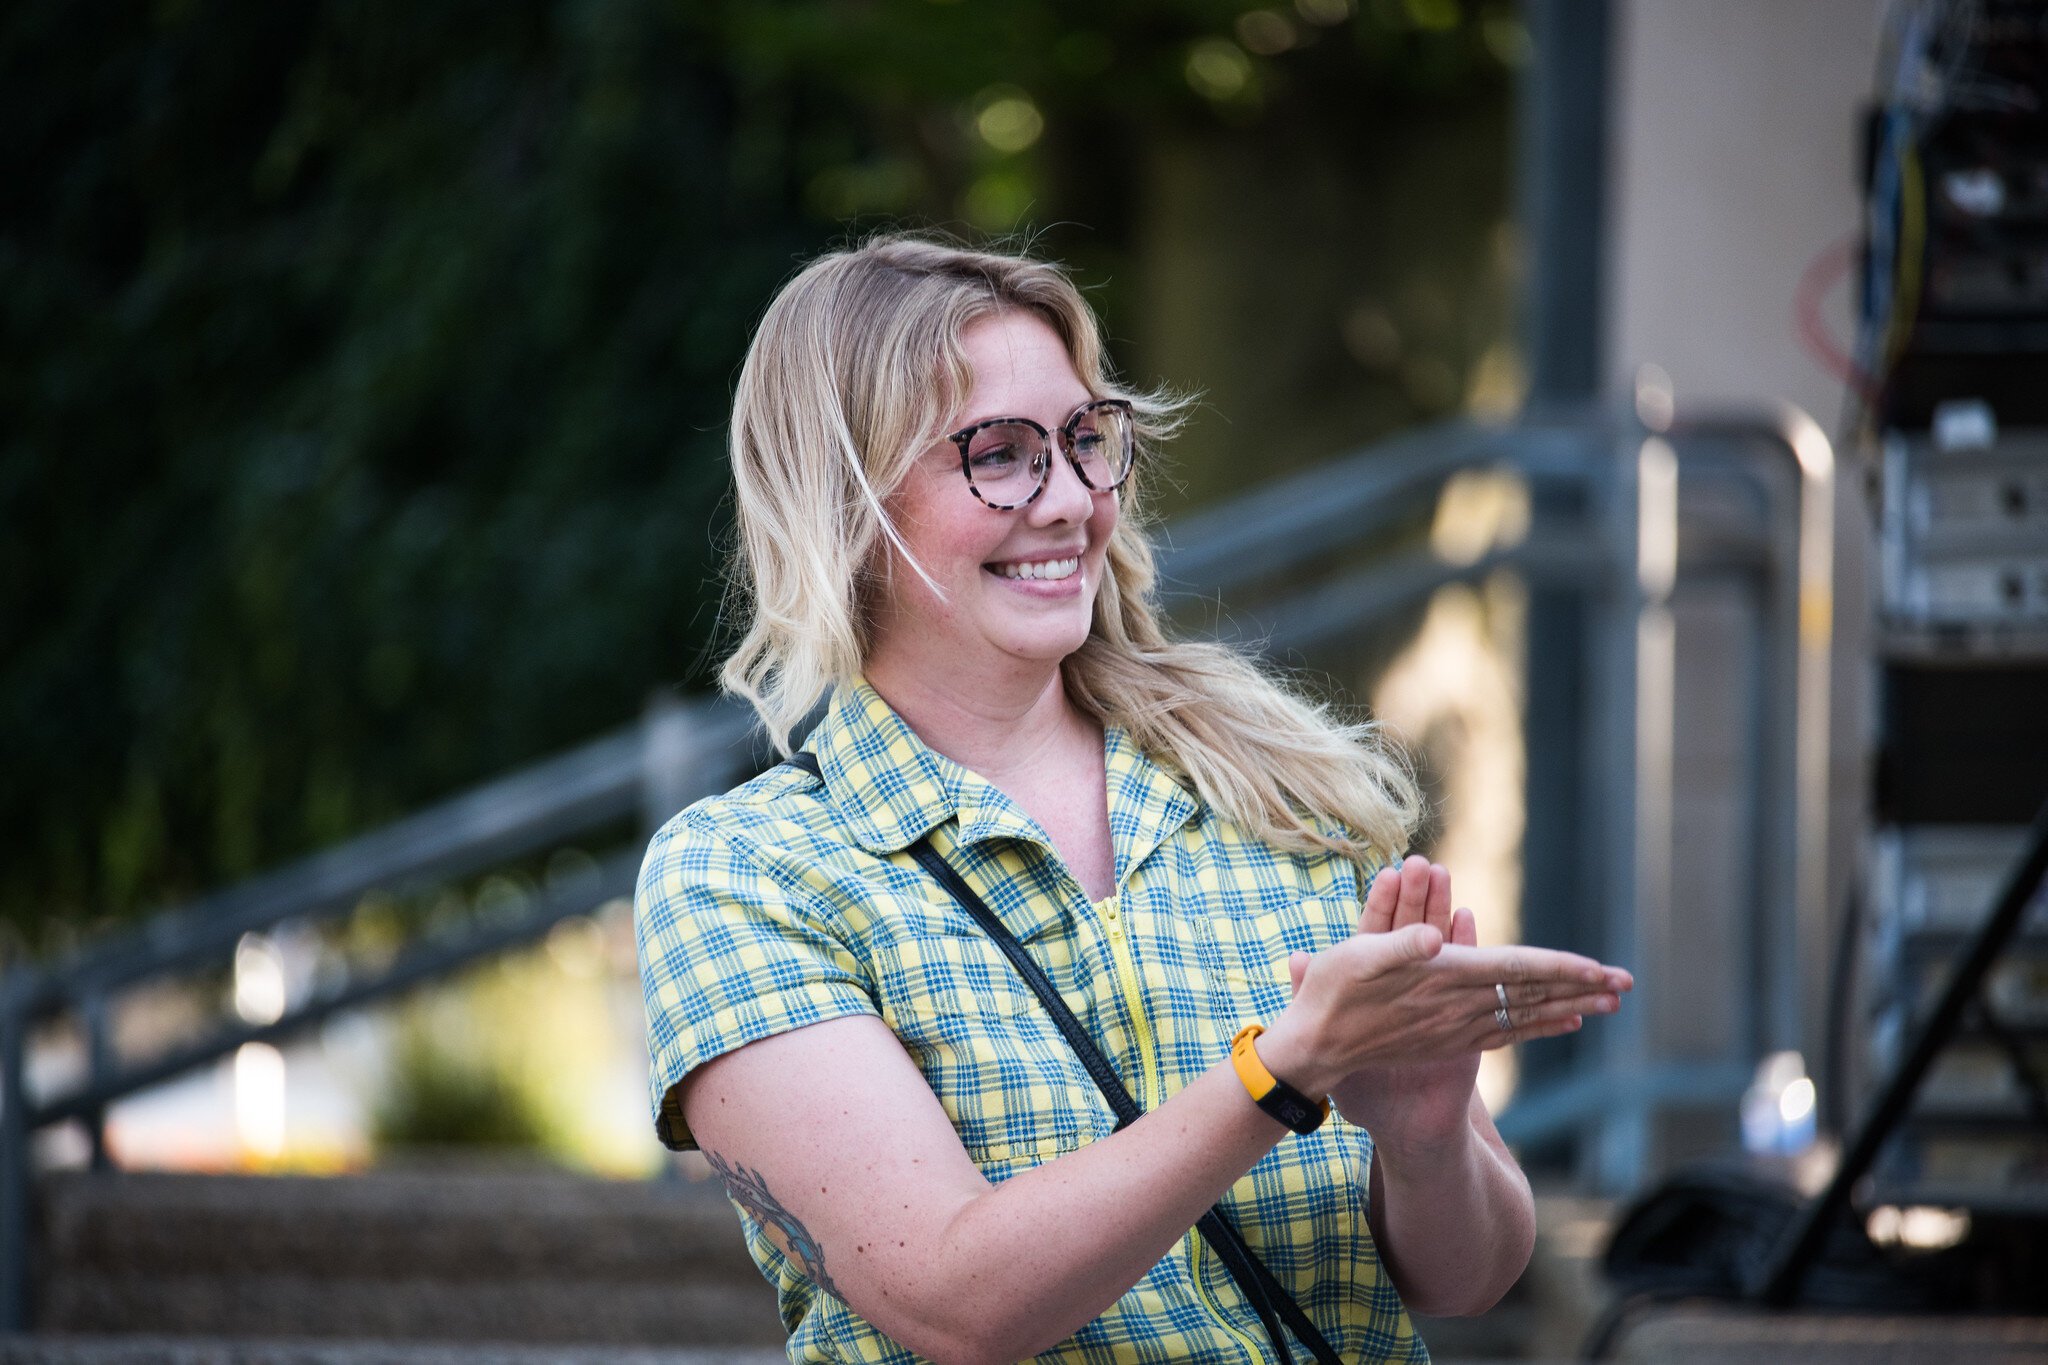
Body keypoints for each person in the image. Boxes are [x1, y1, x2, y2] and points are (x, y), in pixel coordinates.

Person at [635, 234, 1633, 1365]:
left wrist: (1425, 1135)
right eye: (999, 455)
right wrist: (1281, 1070)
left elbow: (1469, 1279)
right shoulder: (746, 873)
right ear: (845, 500)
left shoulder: (1275, 787)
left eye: (1083, 440)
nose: (1070, 501)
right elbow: (959, 1304)